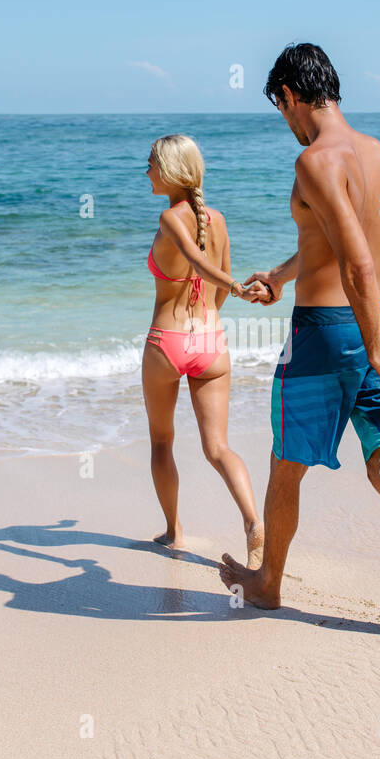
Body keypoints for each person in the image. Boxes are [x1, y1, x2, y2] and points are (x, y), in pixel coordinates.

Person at [217, 45, 380, 645]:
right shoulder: (379, 156)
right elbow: (342, 240)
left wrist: (371, 350)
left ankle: (268, 582)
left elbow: (354, 263)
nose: (285, 121)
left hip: (326, 335)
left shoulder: (313, 160)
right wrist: (282, 277)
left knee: (287, 466)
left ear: (291, 97)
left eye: (281, 108)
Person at [142, 134, 267, 567]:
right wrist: (216, 309)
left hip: (167, 342)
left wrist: (233, 287)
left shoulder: (170, 218)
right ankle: (253, 520)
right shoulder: (219, 218)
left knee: (162, 441)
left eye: (152, 164)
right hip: (211, 343)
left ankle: (174, 530)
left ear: (171, 171)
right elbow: (218, 279)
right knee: (218, 448)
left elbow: (197, 262)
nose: (147, 172)